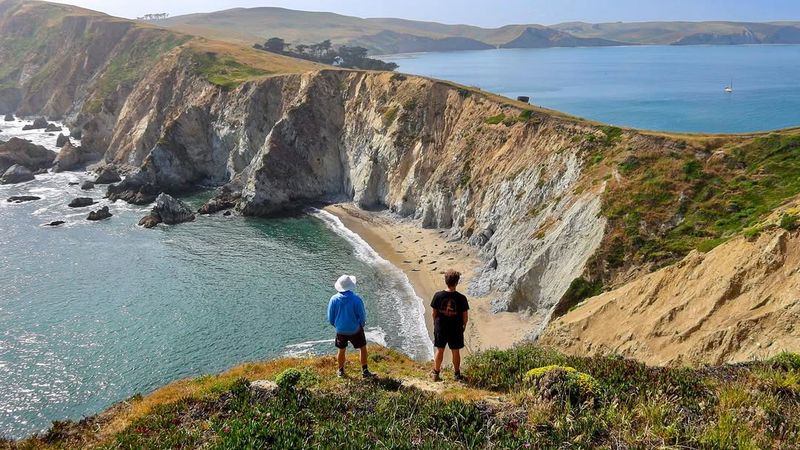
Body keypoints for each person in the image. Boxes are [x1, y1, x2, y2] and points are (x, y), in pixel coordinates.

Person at [327, 274, 374, 379]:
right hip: (355, 330)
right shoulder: (356, 299)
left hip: (341, 330)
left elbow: (330, 317)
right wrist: (361, 325)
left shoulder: (333, 299)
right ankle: (365, 371)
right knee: (362, 348)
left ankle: (340, 370)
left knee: (341, 350)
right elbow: (362, 316)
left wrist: (338, 326)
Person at [431, 269, 470, 382]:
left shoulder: (438, 295)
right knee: (455, 351)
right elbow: (465, 316)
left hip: (441, 327)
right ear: (456, 282)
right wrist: (463, 326)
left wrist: (435, 324)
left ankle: (436, 373)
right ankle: (457, 374)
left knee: (440, 350)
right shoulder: (461, 298)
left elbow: (434, 313)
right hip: (456, 328)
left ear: (446, 281)